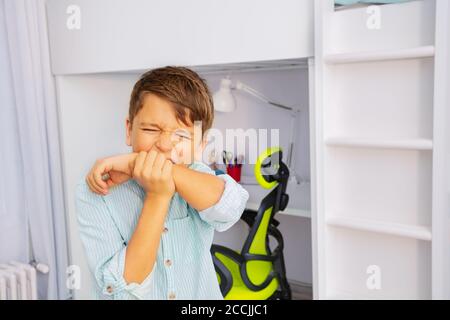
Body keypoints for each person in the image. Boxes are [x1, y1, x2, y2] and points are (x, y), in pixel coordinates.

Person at [75, 66, 249, 299]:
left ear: (200, 146)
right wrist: (158, 196)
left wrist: (140, 165)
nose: (166, 145)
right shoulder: (96, 191)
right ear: (129, 130)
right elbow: (122, 289)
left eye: (183, 136)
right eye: (150, 129)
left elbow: (230, 207)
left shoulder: (197, 174)